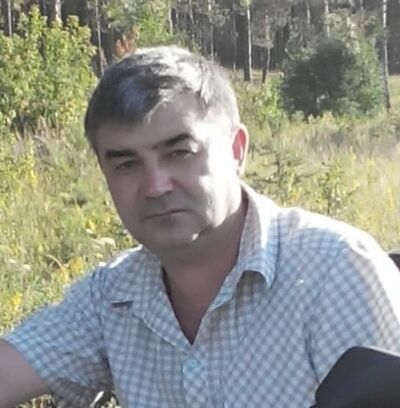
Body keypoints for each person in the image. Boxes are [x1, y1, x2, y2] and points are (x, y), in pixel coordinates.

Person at [1, 45, 400, 408]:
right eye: (126, 164)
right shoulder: (111, 297)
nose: (156, 186)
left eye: (180, 152)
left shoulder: (335, 270)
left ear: (237, 150)